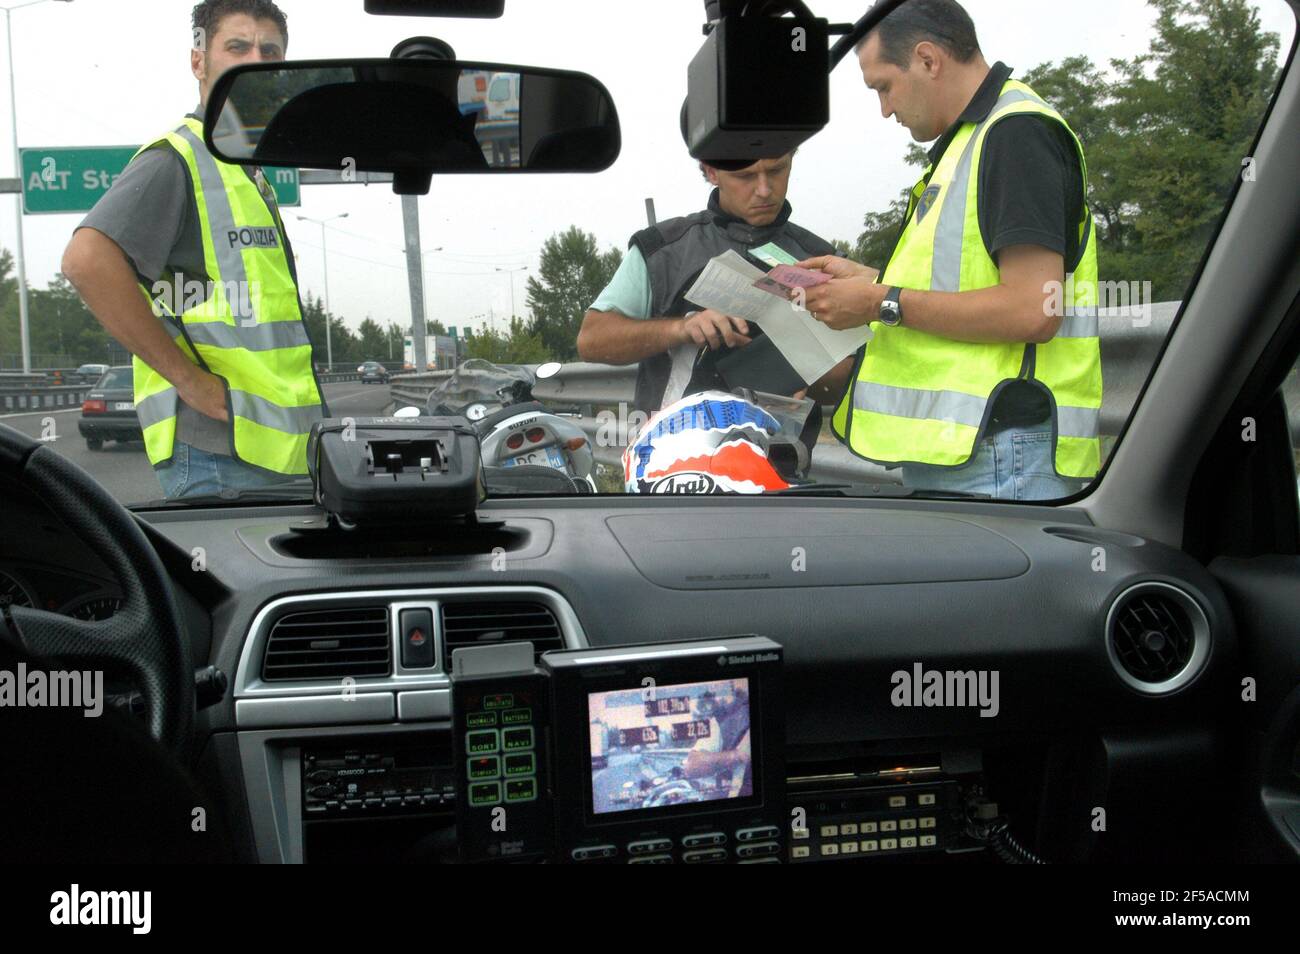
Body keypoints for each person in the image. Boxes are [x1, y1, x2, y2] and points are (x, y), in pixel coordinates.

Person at [798, 0, 1102, 501]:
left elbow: (1034, 309)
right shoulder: (975, 140)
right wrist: (870, 279)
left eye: (883, 87)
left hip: (1002, 453)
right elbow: (968, 282)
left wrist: (879, 301)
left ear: (927, 60)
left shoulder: (1016, 134)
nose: (885, 109)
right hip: (976, 452)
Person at [62, 0, 327, 499]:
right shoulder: (179, 159)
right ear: (199, 62)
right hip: (218, 457)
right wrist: (189, 381)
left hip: (274, 453)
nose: (256, 59)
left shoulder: (244, 168)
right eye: (237, 46)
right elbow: (87, 261)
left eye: (270, 51)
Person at [577, 151, 848, 415]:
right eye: (745, 176)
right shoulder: (663, 250)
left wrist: (805, 380)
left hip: (779, 456)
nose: (765, 190)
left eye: (777, 170)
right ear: (711, 171)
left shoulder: (823, 261)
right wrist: (681, 328)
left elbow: (851, 371)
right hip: (673, 452)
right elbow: (592, 340)